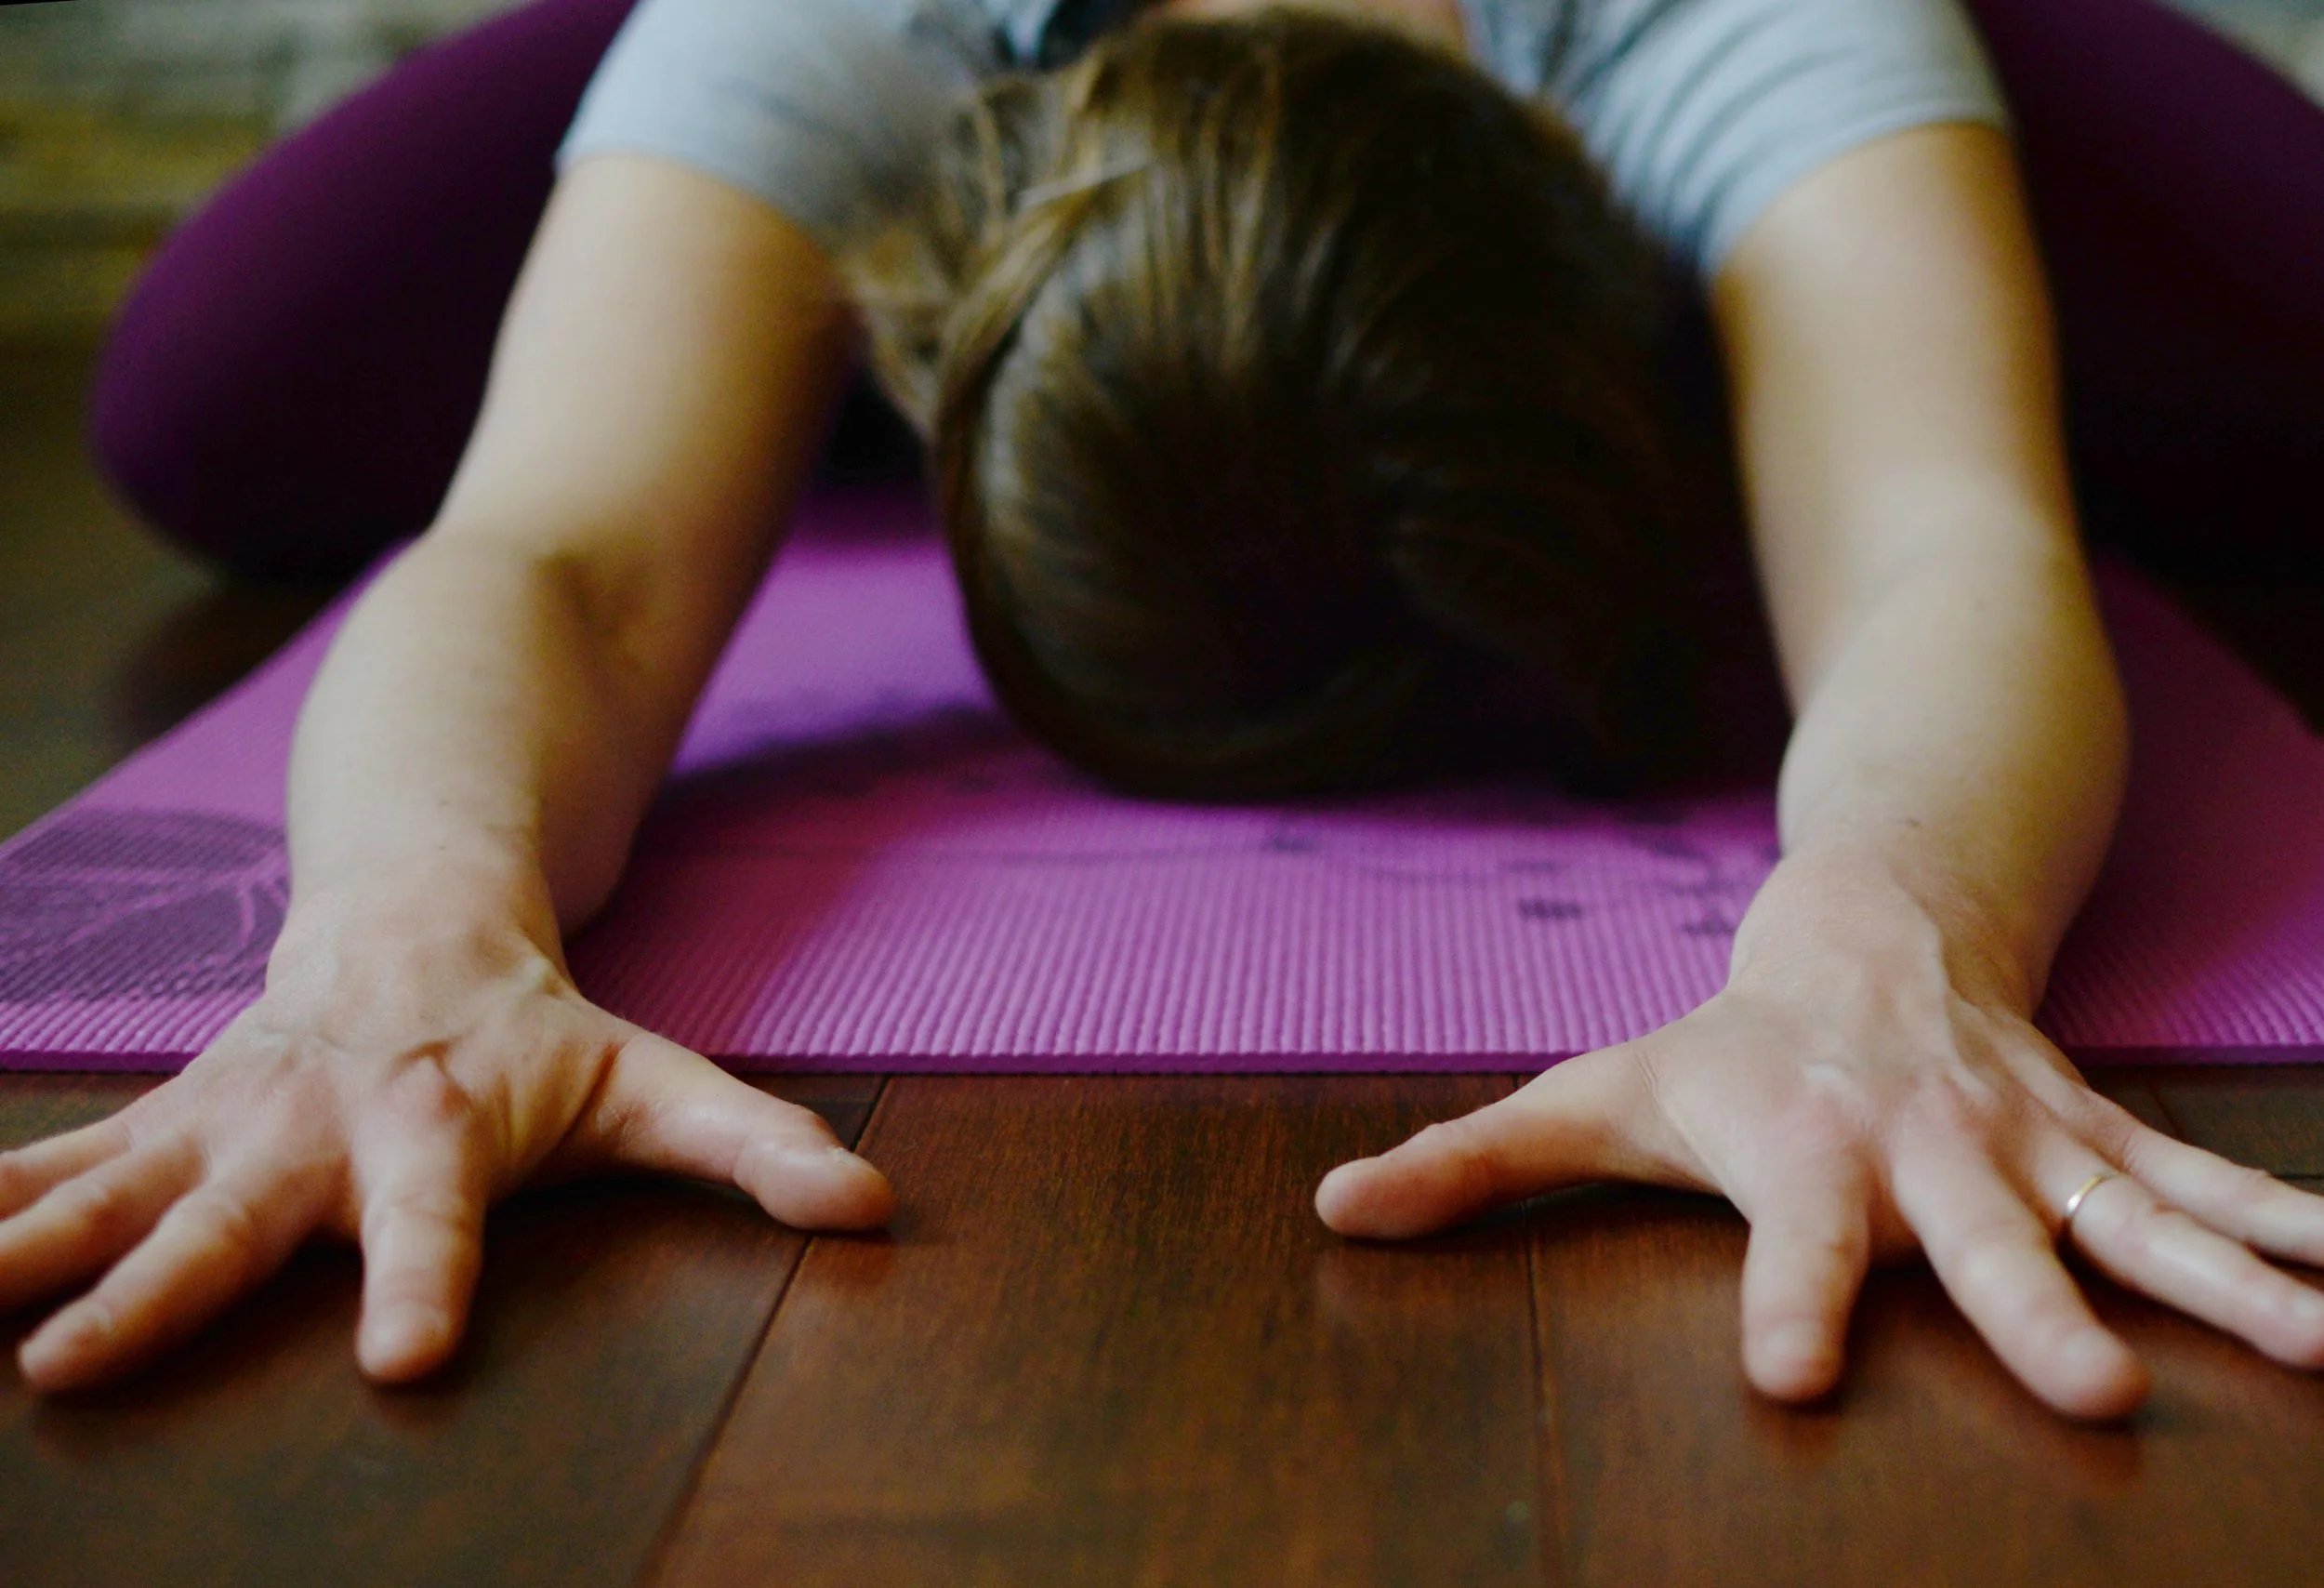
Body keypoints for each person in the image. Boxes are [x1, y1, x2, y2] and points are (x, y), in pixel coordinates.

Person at [6, 0, 2322, 1418]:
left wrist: (1890, 941)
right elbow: (561, 558)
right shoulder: (856, 36)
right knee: (210, 407)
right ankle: (783, 326)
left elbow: (1941, 543)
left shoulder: (1738, 32)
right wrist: (401, 931)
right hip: (953, 83)